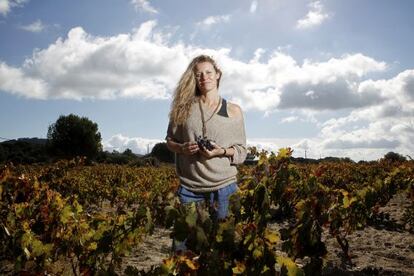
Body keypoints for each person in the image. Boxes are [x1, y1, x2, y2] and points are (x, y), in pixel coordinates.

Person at [165, 54, 247, 224]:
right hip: (190, 191)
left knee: (224, 247)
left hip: (225, 189)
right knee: (184, 249)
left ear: (218, 74)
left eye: (209, 72)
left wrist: (220, 151)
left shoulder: (233, 111)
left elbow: (241, 151)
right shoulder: (183, 109)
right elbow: (170, 141)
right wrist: (182, 149)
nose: (204, 78)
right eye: (198, 74)